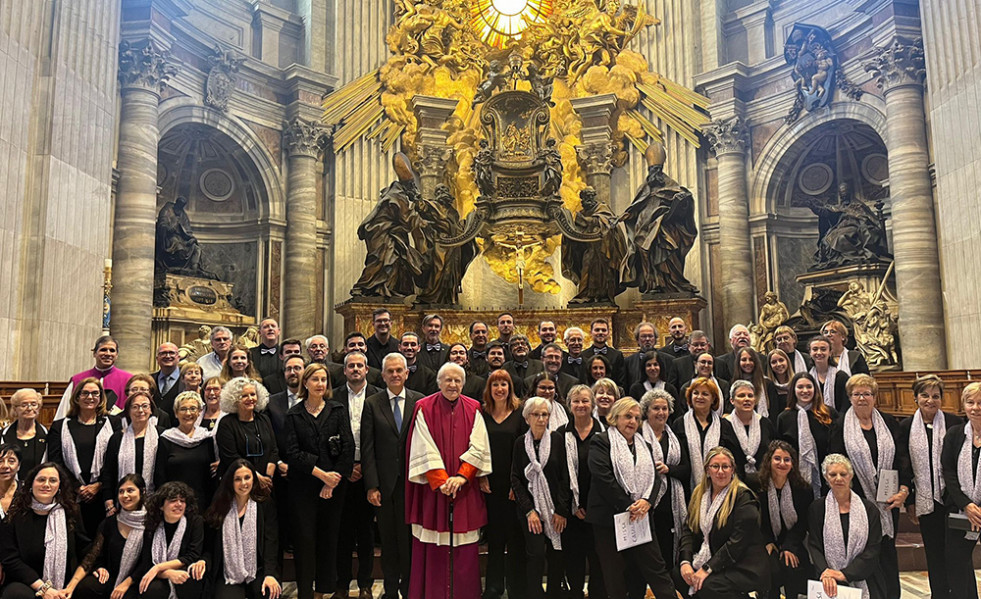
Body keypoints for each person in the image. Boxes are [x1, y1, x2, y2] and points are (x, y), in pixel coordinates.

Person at [405, 362, 492, 599]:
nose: (453, 385)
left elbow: (479, 446)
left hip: (464, 489)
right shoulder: (423, 406)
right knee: (433, 546)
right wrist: (443, 481)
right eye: (448, 380)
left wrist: (462, 477)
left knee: (464, 548)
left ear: (463, 384)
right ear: (439, 382)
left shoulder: (474, 408)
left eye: (457, 381)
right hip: (435, 491)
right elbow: (422, 446)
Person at [586, 398, 678, 599]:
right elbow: (603, 477)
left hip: (641, 515)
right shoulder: (601, 441)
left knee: (656, 567)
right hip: (608, 518)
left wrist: (647, 502)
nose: (632, 421)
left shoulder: (644, 444)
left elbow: (655, 478)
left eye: (636, 417)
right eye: (628, 416)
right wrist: (629, 506)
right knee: (614, 574)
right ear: (615, 417)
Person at [828, 374, 906, 598]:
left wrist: (903, 491)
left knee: (888, 553)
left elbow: (902, 460)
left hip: (887, 501)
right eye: (856, 394)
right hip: (856, 502)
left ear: (875, 397)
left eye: (867, 394)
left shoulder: (889, 423)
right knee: (864, 553)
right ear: (850, 397)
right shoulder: (841, 425)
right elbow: (835, 463)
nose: (862, 398)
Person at [284, 363, 355, 599]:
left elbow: (348, 447)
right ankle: (305, 591)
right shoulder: (293, 414)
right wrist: (321, 474)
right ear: (305, 383)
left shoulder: (337, 410)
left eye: (324, 380)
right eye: (315, 379)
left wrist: (330, 481)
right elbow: (293, 453)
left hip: (333, 488)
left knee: (329, 538)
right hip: (303, 487)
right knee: (305, 540)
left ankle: (324, 590)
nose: (320, 384)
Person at [361, 353, 424, 599]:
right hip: (384, 486)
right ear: (383, 375)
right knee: (388, 542)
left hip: (412, 485)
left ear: (407, 373)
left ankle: (409, 589)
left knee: (409, 542)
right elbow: (367, 447)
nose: (395, 375)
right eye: (391, 371)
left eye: (400, 370)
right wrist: (371, 485)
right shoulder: (372, 403)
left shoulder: (419, 402)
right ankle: (389, 590)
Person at [676, 447, 770, 598]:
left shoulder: (744, 497)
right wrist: (685, 561)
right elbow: (689, 530)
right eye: (715, 466)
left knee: (709, 587)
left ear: (732, 470)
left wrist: (707, 568)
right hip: (715, 558)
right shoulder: (700, 494)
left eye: (725, 466)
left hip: (743, 564)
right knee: (679, 576)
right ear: (707, 470)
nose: (721, 471)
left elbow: (737, 542)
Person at [897, 374, 960, 599]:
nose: (930, 400)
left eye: (935, 396)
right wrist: (911, 501)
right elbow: (904, 466)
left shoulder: (954, 423)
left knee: (955, 553)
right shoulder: (905, 427)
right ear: (916, 398)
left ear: (942, 399)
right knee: (933, 553)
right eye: (924, 395)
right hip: (925, 499)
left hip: (952, 499)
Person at [46, 378, 121, 536]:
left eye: (95, 393)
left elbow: (116, 459)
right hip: (70, 495)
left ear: (101, 398)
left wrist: (98, 485)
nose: (90, 397)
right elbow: (55, 462)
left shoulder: (113, 423)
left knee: (101, 541)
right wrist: (76, 487)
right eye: (85, 393)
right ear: (77, 397)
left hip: (103, 495)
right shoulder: (60, 426)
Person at [511, 397, 569, 599]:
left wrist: (562, 510)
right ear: (527, 418)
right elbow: (516, 479)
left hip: (555, 510)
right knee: (535, 555)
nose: (541, 418)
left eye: (545, 414)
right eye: (536, 414)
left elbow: (565, 476)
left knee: (556, 555)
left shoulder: (557, 440)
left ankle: (554, 593)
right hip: (530, 511)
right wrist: (529, 511)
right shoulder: (520, 443)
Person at [0, 463, 86, 599]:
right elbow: (9, 558)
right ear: (30, 484)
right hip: (27, 583)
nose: (46, 484)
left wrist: (95, 566)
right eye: (41, 480)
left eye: (53, 480)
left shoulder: (71, 512)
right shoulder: (15, 514)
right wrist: (44, 588)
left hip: (65, 585)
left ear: (59, 486)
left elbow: (85, 547)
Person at [333, 352, 379, 599]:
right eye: (350, 366)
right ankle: (341, 584)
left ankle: (365, 584)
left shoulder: (378, 395)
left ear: (367, 369)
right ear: (344, 370)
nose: (355, 369)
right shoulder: (334, 396)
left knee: (366, 533)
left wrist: (366, 468)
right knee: (343, 532)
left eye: (359, 365)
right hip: (342, 471)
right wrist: (346, 466)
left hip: (369, 471)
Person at [808, 454, 884, 599]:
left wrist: (844, 574)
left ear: (850, 476)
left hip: (864, 577)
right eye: (832, 474)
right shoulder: (817, 508)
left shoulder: (869, 509)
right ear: (825, 478)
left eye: (843, 474)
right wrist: (826, 572)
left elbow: (873, 549)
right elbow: (814, 545)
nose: (838, 478)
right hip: (827, 579)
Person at [203, 459, 281, 599]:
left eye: (247, 478)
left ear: (253, 479)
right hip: (228, 573)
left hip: (257, 570)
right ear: (230, 481)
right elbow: (209, 544)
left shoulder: (265, 504)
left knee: (270, 593)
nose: (243, 483)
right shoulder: (220, 506)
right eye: (237, 479)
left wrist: (270, 574)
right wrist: (204, 560)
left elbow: (271, 542)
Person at [481, 370, 527, 599]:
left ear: (510, 388)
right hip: (489, 486)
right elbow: (476, 447)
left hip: (514, 487)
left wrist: (517, 485)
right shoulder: (482, 413)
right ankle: (494, 586)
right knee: (495, 538)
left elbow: (525, 453)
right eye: (495, 384)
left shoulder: (520, 414)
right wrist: (480, 475)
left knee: (516, 539)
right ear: (489, 389)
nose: (500, 389)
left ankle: (516, 586)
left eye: (504, 384)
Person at [561, 386, 606, 599]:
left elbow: (609, 474)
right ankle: (576, 593)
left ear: (593, 404)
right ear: (570, 405)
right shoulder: (560, 434)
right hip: (571, 510)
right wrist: (573, 505)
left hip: (598, 509)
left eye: (585, 401)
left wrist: (592, 507)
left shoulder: (605, 434)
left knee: (598, 558)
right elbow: (558, 474)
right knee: (573, 558)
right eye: (576, 401)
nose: (581, 405)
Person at [70, 474, 147, 599]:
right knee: (86, 587)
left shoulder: (151, 523)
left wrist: (126, 583)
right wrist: (71, 587)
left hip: (137, 580)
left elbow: (148, 562)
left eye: (130, 490)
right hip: (112, 576)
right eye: (121, 491)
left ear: (142, 491)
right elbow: (92, 556)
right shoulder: (110, 522)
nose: (125, 495)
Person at [638, 390, 690, 573]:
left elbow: (686, 469)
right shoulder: (636, 435)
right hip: (643, 503)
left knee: (666, 552)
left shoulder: (674, 437)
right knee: (644, 555)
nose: (661, 412)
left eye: (664, 408)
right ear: (646, 410)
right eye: (656, 408)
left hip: (669, 503)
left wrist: (669, 469)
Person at [941, 382, 981, 599]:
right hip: (961, 509)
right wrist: (967, 505)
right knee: (957, 563)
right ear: (963, 405)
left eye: (980, 403)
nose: (975, 407)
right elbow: (948, 472)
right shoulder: (955, 434)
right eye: (970, 402)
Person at [134, 481, 207, 599]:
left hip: (184, 569)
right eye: (173, 500)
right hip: (161, 575)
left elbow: (192, 555)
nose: (179, 504)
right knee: (150, 590)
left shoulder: (195, 522)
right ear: (161, 506)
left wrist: (158, 567)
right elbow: (147, 562)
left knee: (188, 581)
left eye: (182, 501)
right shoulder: (152, 526)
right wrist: (168, 573)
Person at [757, 441, 811, 599]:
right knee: (770, 570)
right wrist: (766, 541)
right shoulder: (757, 486)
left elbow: (802, 524)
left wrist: (789, 546)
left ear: (793, 463)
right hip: (766, 541)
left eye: (787, 459)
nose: (782, 463)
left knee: (792, 566)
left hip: (794, 541)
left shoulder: (803, 489)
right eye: (777, 458)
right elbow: (756, 521)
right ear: (769, 461)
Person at [777, 372, 837, 497]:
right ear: (793, 390)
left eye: (809, 387)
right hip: (795, 478)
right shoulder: (784, 418)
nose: (805, 390)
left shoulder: (828, 413)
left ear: (815, 389)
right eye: (800, 387)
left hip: (827, 476)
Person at [674, 377, 740, 489]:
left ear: (713, 398)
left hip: (721, 487)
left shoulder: (724, 425)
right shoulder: (679, 424)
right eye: (695, 393)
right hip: (687, 489)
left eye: (705, 394)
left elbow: (735, 457)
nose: (699, 397)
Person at [156, 392, 218, 511]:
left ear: (199, 412)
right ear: (175, 413)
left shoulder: (206, 438)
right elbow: (160, 476)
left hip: (202, 503)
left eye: (193, 408)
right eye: (183, 409)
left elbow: (210, 476)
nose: (188, 413)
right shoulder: (166, 439)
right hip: (174, 503)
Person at [102, 390, 161, 508]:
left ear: (151, 409)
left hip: (154, 502)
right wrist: (108, 501)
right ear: (128, 411)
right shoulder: (117, 438)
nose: (140, 410)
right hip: (123, 500)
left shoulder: (161, 435)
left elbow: (164, 472)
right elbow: (108, 472)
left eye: (145, 406)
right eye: (135, 407)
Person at [215, 377, 278, 486]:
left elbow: (273, 450)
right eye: (244, 396)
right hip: (238, 482)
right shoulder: (226, 423)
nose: (250, 398)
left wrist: (268, 477)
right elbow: (231, 457)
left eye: (253, 394)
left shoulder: (264, 419)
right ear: (234, 399)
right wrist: (256, 477)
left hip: (265, 482)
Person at [55, 335, 133, 418]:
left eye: (112, 350)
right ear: (94, 353)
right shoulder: (78, 380)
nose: (108, 354)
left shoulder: (128, 380)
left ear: (117, 355)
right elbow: (64, 410)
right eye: (103, 350)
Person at [724, 380, 775, 492]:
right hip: (732, 486)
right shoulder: (723, 425)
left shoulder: (765, 423)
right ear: (732, 400)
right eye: (741, 395)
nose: (747, 399)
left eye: (750, 396)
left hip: (764, 485)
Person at [2, 389, 48, 477]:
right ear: (15, 409)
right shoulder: (3, 435)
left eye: (34, 404)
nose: (29, 408)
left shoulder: (48, 436)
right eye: (24, 405)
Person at [732, 347, 780, 422]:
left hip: (764, 426)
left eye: (751, 359)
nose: (747, 363)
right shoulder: (732, 384)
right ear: (738, 362)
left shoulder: (767, 384)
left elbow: (774, 412)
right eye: (744, 360)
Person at [808, 335, 851, 413]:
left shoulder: (842, 377)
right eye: (815, 349)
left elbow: (845, 406)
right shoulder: (807, 378)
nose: (819, 352)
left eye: (823, 349)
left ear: (830, 352)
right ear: (810, 353)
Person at [582, 319, 625, 387]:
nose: (600, 332)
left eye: (604, 330)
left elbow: (621, 381)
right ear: (591, 332)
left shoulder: (617, 355)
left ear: (608, 333)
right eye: (597, 330)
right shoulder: (583, 355)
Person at [152, 343, 183, 423]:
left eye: (172, 353)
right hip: (153, 430)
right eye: (163, 353)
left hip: (179, 430)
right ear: (157, 359)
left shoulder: (187, 380)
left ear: (178, 357)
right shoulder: (150, 380)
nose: (168, 356)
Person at [400, 332, 437, 396]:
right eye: (405, 344)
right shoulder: (392, 373)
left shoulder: (429, 375)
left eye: (413, 344)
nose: (409, 347)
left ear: (419, 348)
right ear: (399, 347)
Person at [249, 318, 282, 384]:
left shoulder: (284, 353)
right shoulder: (250, 353)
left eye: (273, 326)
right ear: (259, 332)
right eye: (266, 327)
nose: (270, 329)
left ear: (279, 331)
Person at [0, 444, 20, 518]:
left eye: (11, 461)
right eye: (0, 461)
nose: (5, 466)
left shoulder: (26, 492)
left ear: (19, 466)